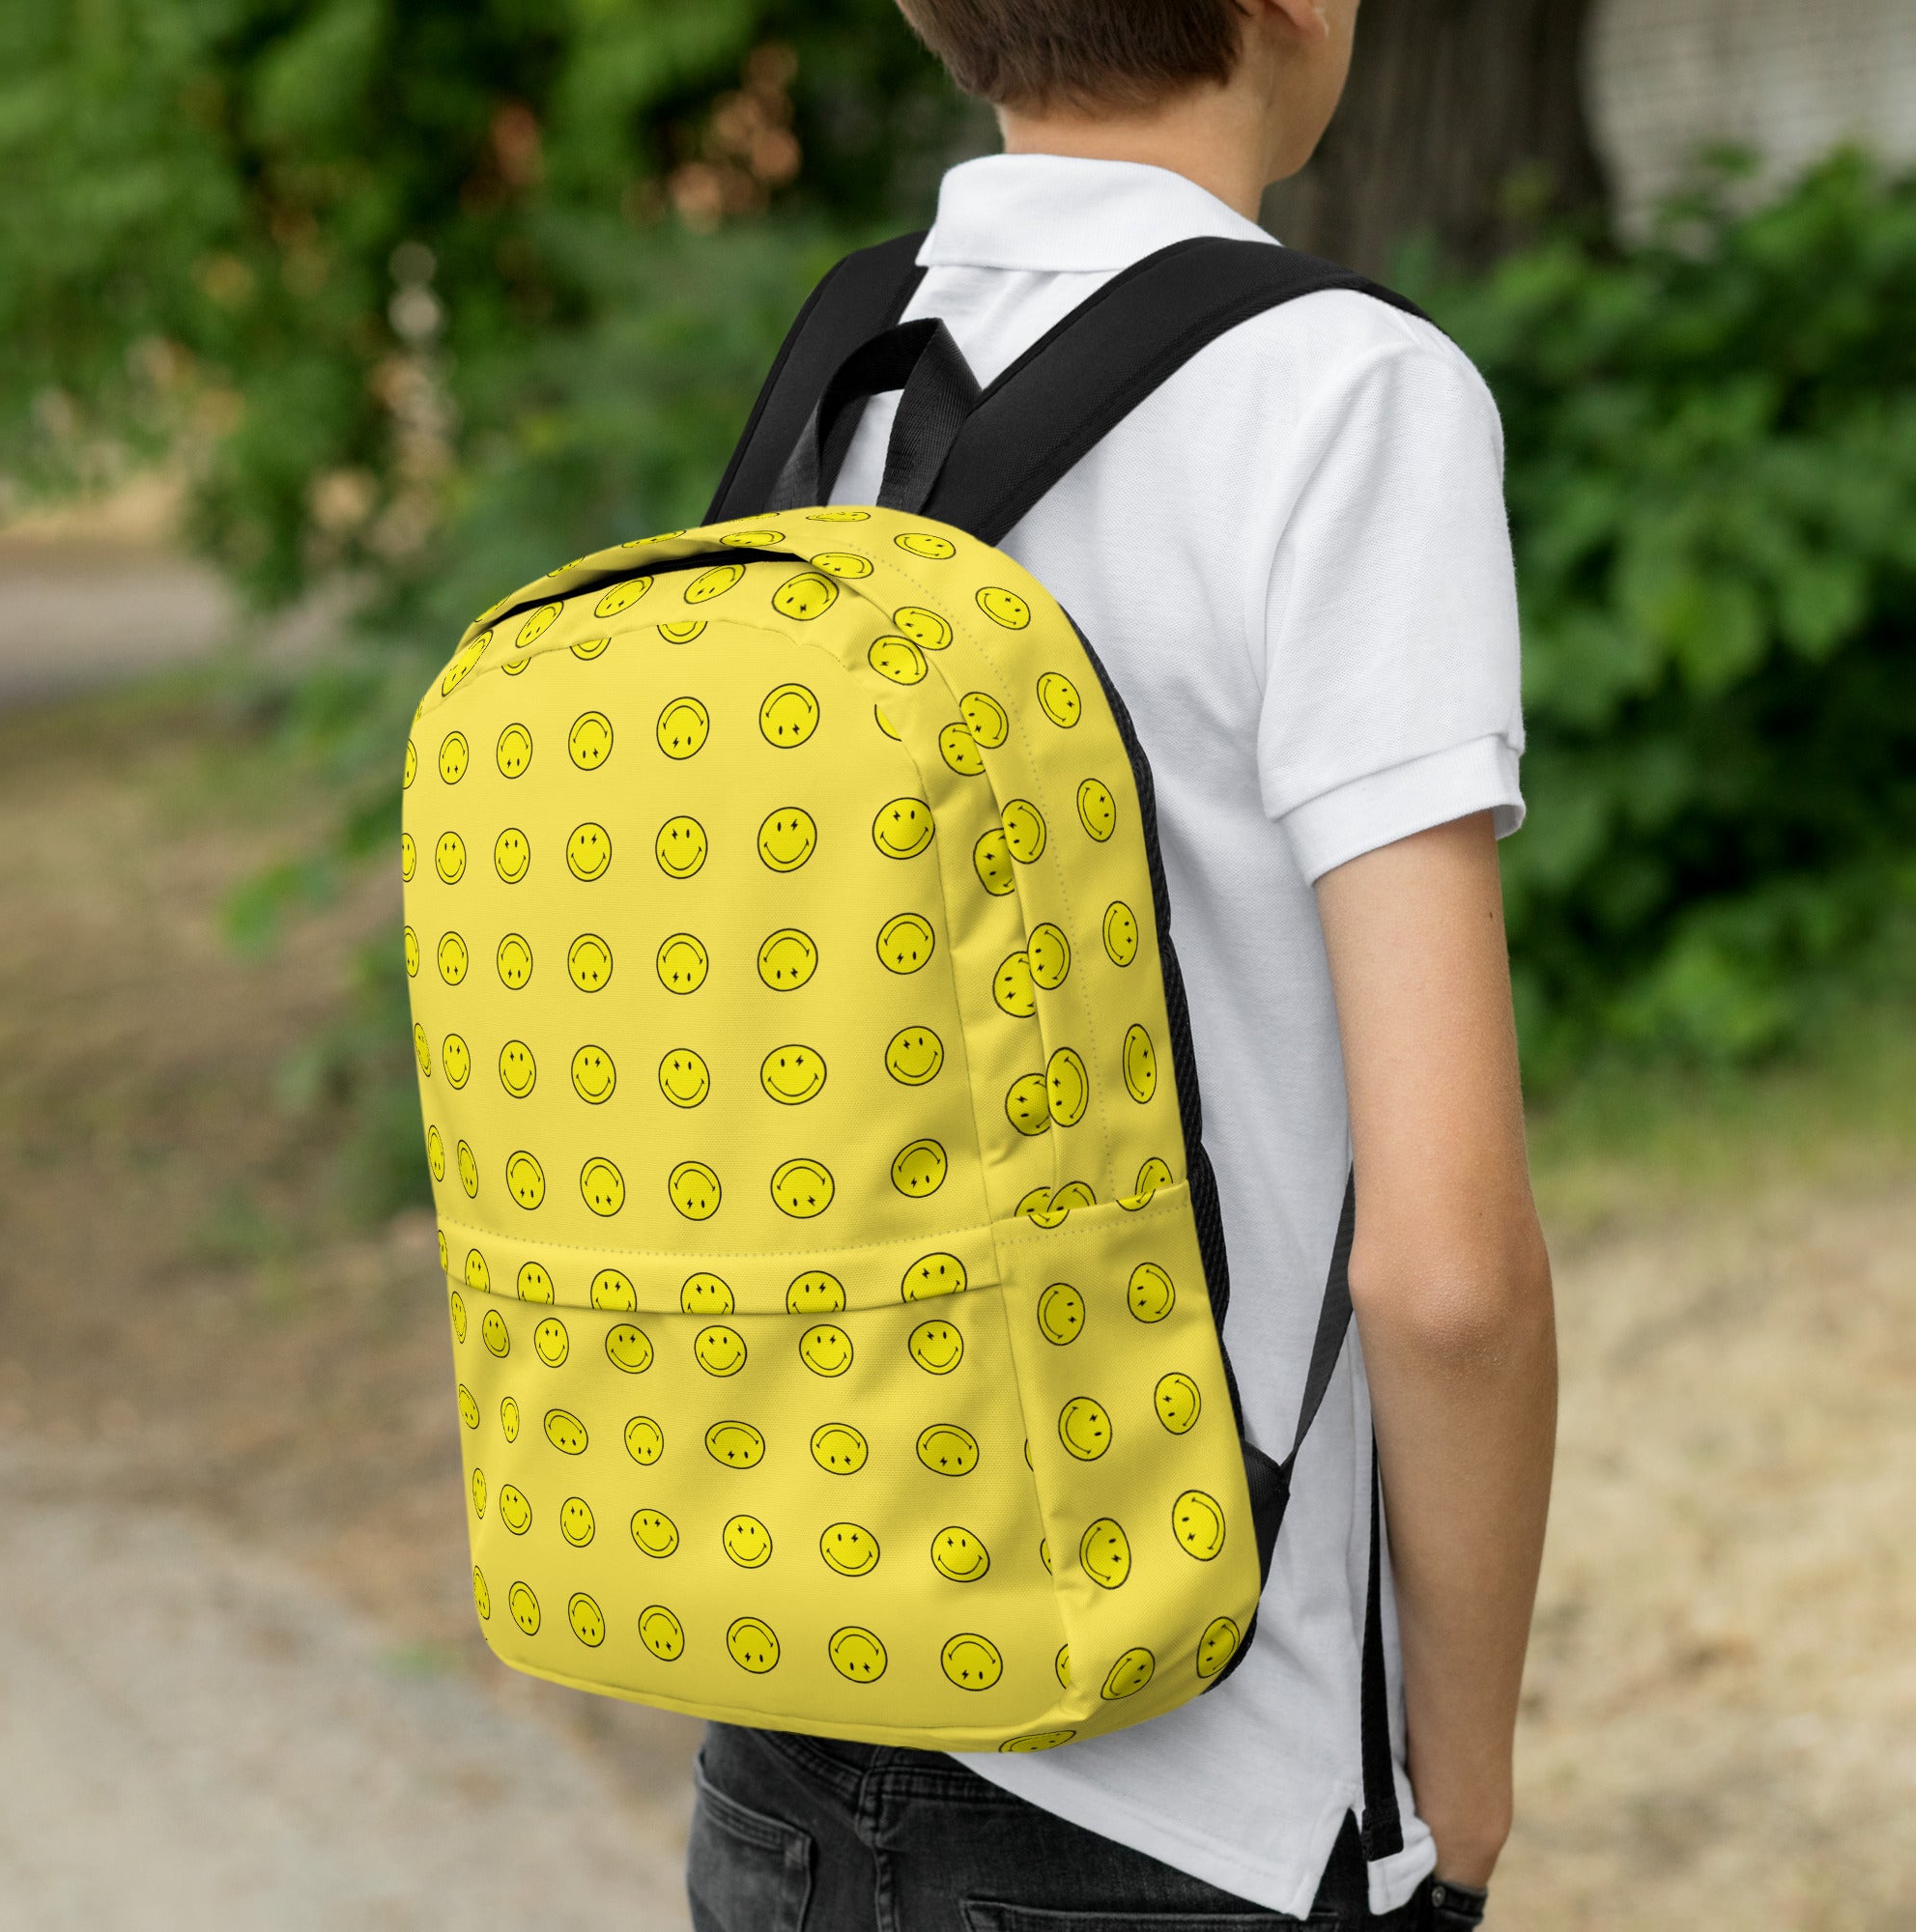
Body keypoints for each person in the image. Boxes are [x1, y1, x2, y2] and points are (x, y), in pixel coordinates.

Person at [686, 2, 1557, 1924]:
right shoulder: (1345, 394)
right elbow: (1444, 1272)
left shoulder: (845, 373)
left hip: (783, 1715)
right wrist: (1463, 1782)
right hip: (1188, 1782)